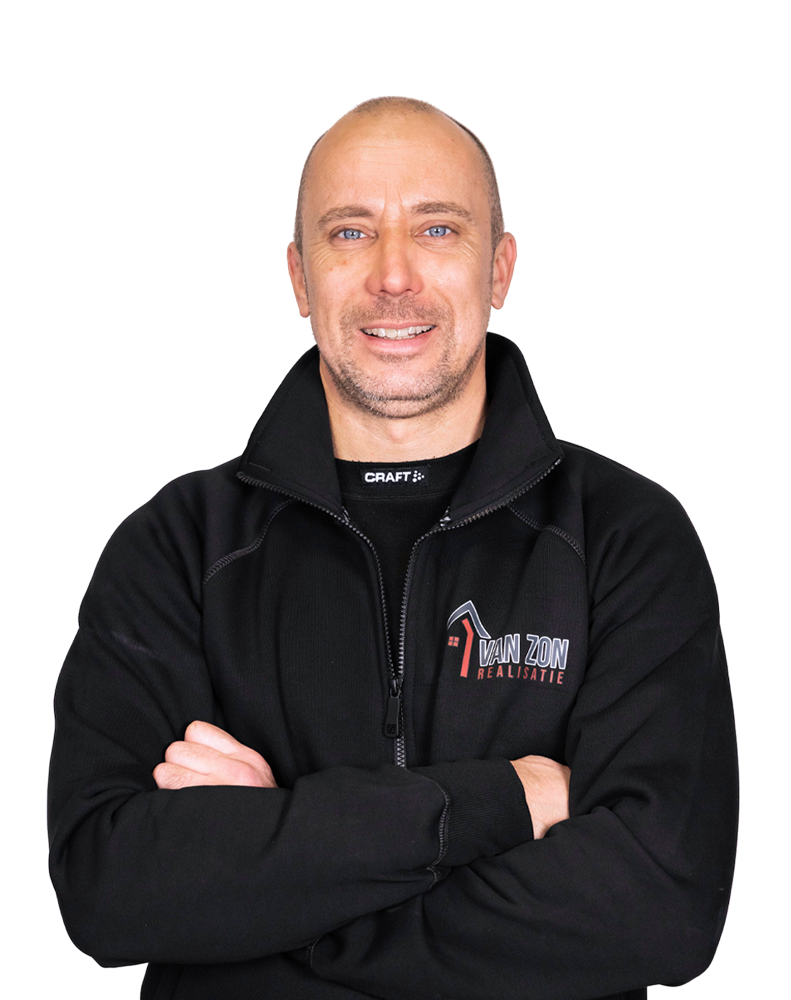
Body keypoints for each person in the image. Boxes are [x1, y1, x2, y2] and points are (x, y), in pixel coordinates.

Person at [47, 96, 738, 1000]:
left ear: (499, 267)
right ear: (300, 278)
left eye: (438, 228)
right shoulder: (177, 547)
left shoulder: (624, 537)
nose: (394, 275)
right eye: (350, 233)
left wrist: (273, 876)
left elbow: (660, 909)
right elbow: (108, 889)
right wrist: (500, 804)